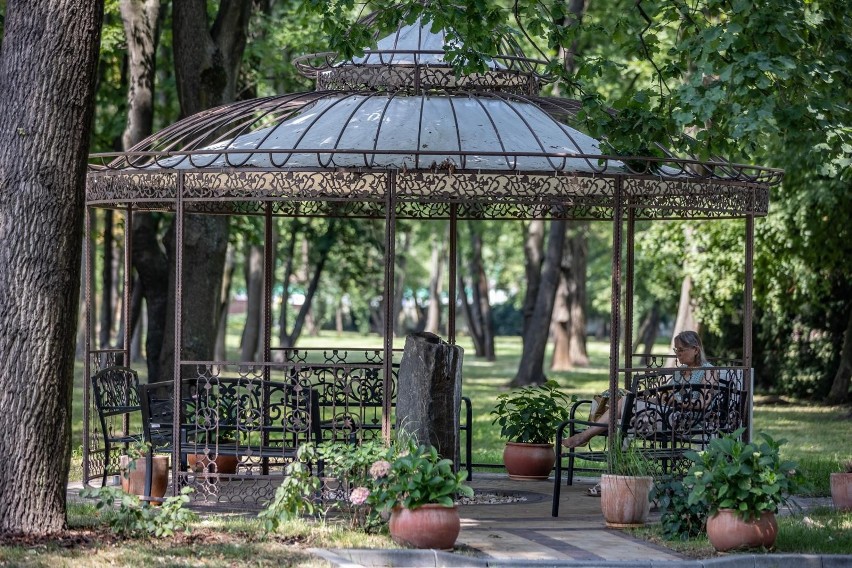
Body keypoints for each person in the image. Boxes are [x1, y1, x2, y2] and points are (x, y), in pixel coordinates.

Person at [561, 330, 713, 449]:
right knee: (626, 407)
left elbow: (703, 404)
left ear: (695, 350)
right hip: (666, 413)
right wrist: (645, 398)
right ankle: (617, 468)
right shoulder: (681, 371)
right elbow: (666, 398)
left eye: (681, 350)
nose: (677, 354)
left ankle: (586, 437)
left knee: (624, 416)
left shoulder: (709, 371)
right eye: (676, 350)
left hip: (686, 420)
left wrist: (674, 402)